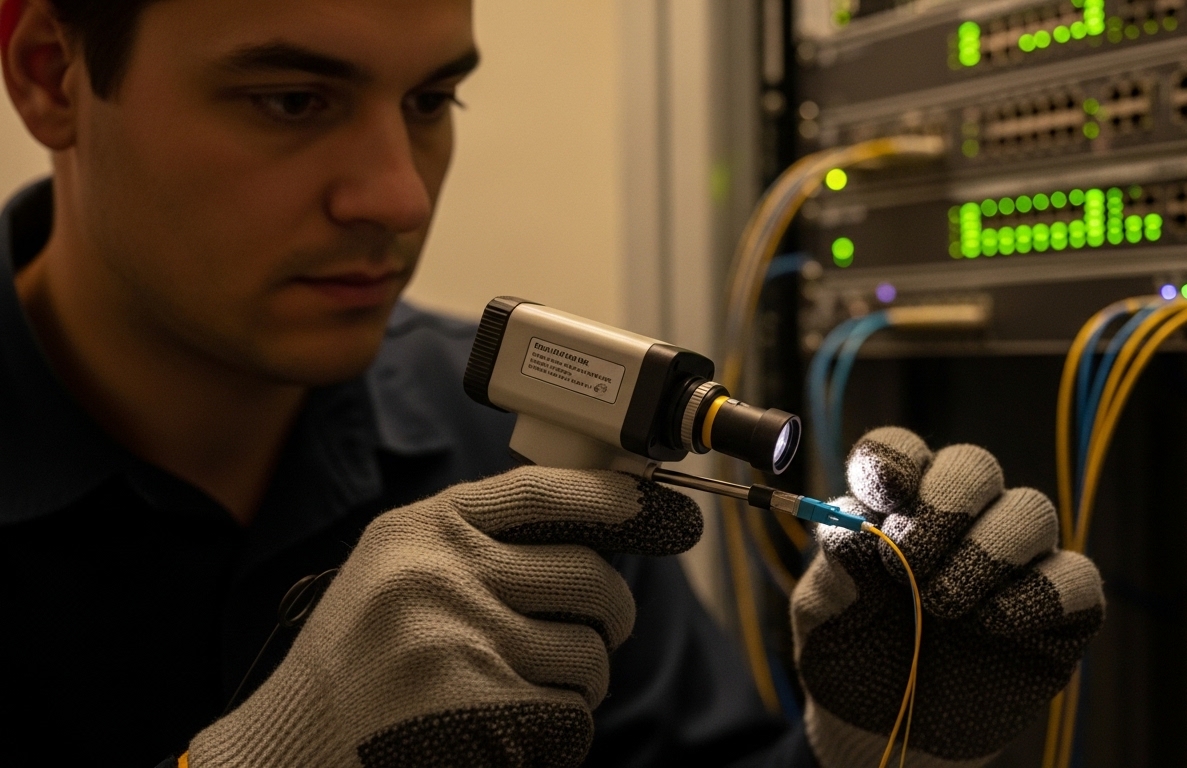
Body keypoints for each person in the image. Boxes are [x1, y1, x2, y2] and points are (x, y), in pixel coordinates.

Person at [0, 0, 1106, 765]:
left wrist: (876, 744)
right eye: (293, 100)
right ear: (51, 73)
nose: (396, 196)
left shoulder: (510, 448)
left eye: (432, 102)